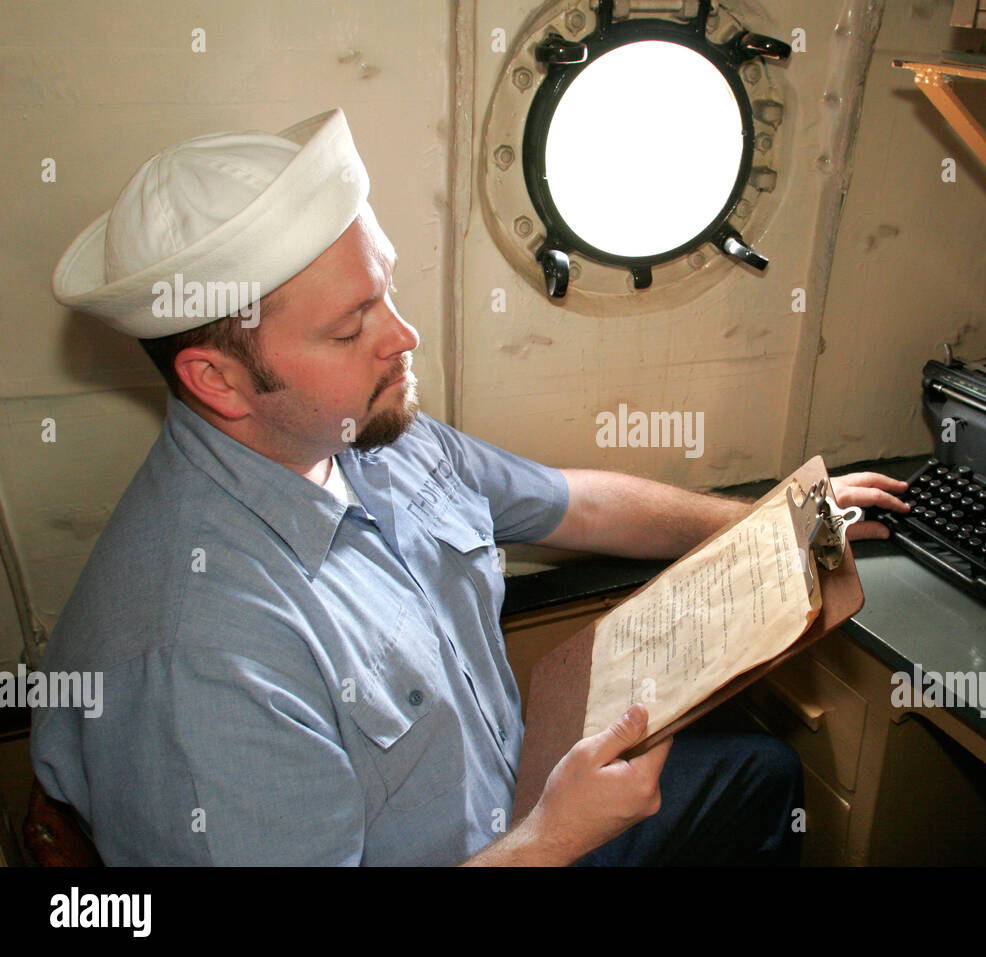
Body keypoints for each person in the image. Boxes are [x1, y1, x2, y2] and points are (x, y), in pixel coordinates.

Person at [30, 109, 909, 865]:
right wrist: (553, 840)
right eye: (350, 328)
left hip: (524, 804)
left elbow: (578, 502)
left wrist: (774, 520)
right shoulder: (194, 661)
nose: (404, 336)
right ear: (219, 381)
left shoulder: (361, 431)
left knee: (764, 775)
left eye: (387, 292)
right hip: (521, 847)